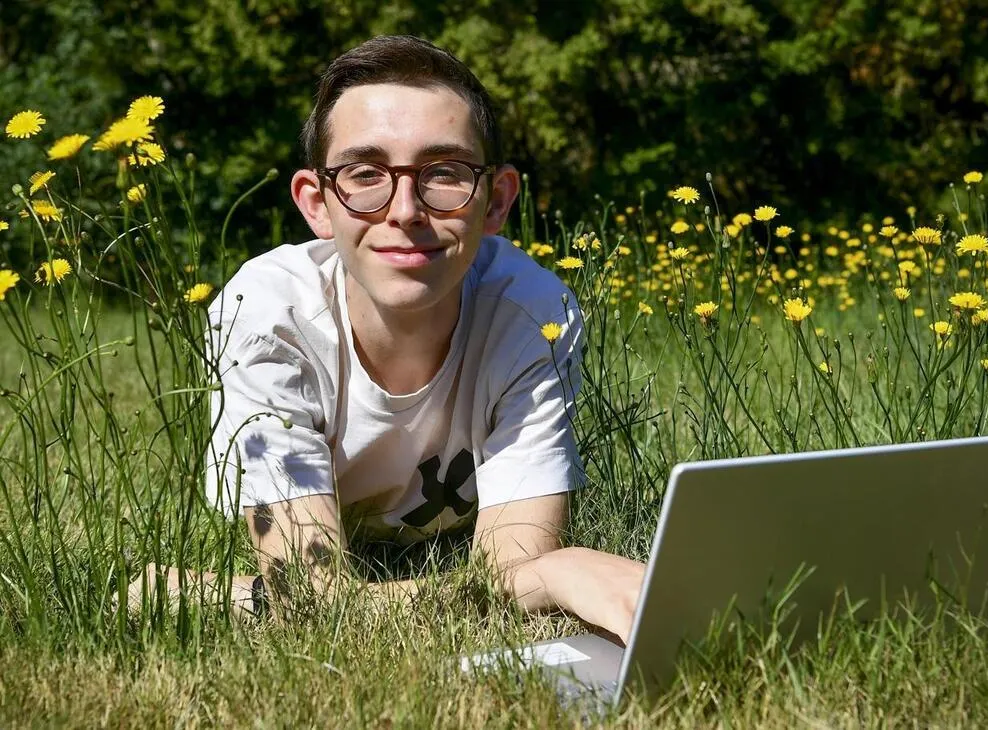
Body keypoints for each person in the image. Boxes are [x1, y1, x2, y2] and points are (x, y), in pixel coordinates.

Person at [130, 34, 644, 643]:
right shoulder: (265, 315)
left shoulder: (533, 313)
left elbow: (513, 566)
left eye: (445, 173)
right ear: (317, 203)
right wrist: (556, 576)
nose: (404, 210)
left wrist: (535, 575)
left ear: (496, 201)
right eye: (365, 174)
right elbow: (316, 601)